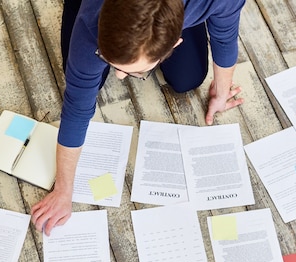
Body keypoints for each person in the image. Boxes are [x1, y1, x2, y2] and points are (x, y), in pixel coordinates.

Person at [31, 0, 246, 234]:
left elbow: (224, 36)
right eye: (110, 61)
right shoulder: (90, 24)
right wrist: (63, 190)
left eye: (135, 72)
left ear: (175, 42)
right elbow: (77, 108)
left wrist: (222, 91)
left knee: (188, 78)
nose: (120, 77)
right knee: (87, 75)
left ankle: (171, 24)